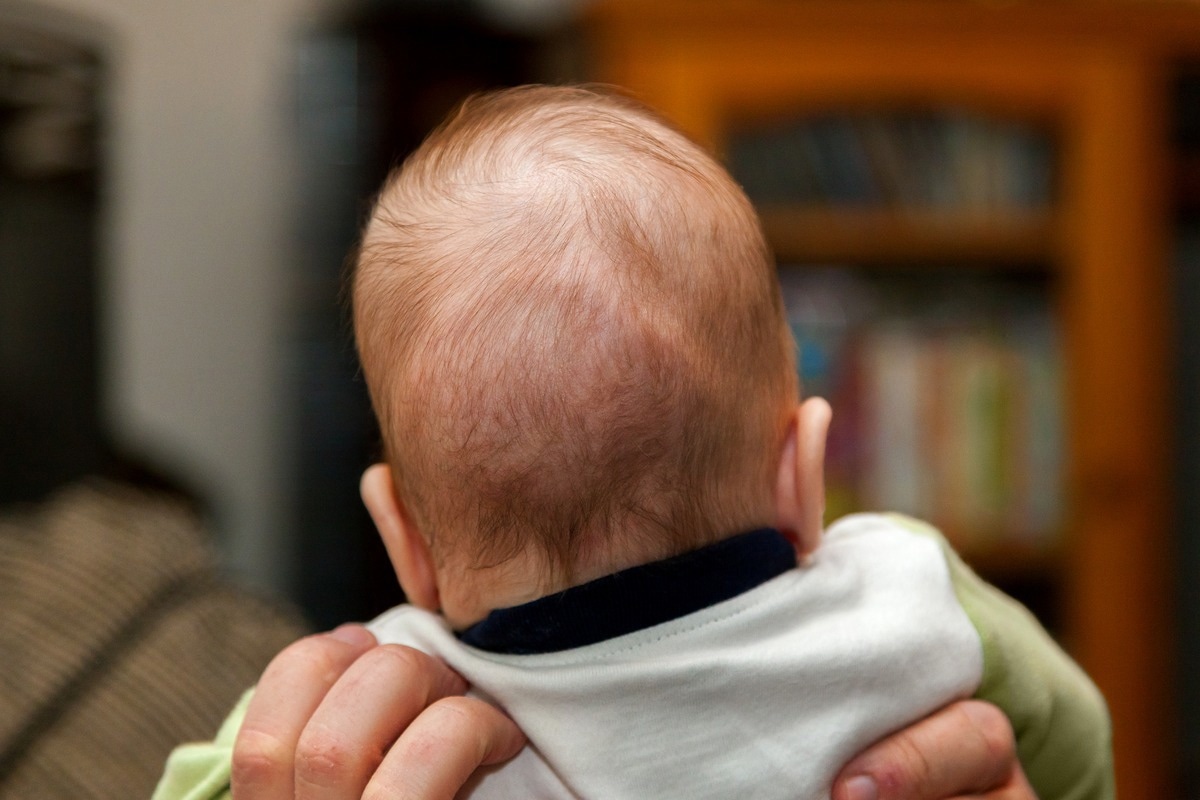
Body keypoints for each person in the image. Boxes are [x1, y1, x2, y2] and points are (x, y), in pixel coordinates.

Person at [155, 85, 1110, 799]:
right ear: (804, 472)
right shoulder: (909, 595)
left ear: (404, 540)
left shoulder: (383, 712)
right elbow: (1073, 738)